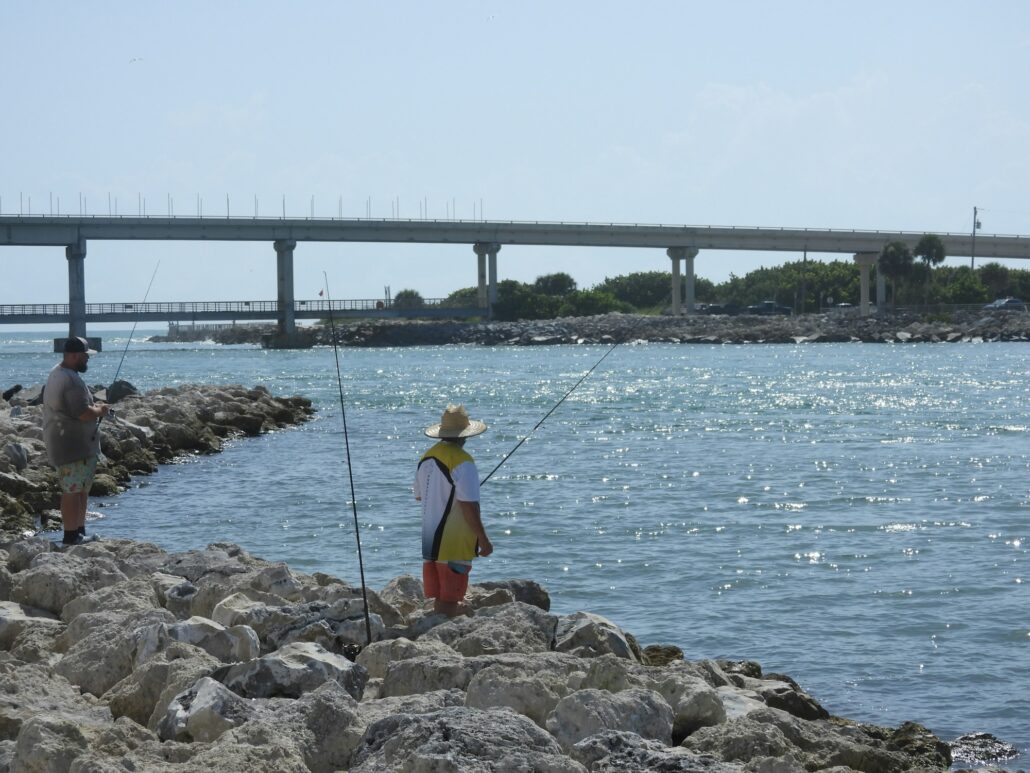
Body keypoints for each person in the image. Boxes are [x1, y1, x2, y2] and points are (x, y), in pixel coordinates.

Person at [415, 404, 493, 617]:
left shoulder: (427, 458)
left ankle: (436, 633)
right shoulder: (463, 461)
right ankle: (442, 640)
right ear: (465, 434)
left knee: (442, 597)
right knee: (450, 598)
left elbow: (421, 496)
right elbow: (469, 505)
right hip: (454, 543)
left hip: (430, 543)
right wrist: (483, 540)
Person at [42, 337, 109, 546]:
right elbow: (82, 413)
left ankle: (79, 532)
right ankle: (71, 536)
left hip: (71, 445)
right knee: (72, 491)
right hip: (71, 446)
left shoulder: (59, 373)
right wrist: (101, 410)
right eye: (84, 356)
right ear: (73, 356)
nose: (87, 360)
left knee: (80, 488)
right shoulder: (70, 380)